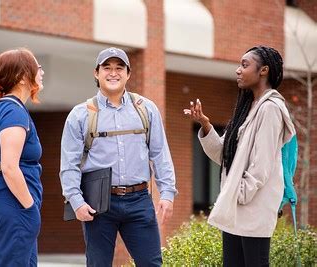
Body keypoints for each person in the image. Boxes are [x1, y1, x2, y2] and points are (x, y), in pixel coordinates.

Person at [60, 47, 177, 266]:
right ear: (96, 73)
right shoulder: (80, 114)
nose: (113, 73)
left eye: (119, 68)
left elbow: (160, 153)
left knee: (152, 264)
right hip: (99, 204)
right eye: (107, 68)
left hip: (140, 200)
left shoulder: (146, 109)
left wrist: (167, 193)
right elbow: (69, 164)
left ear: (128, 74)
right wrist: (76, 201)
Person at [184, 45, 296, 266]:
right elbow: (224, 154)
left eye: (244, 65)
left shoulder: (270, 109)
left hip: (253, 207)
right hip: (236, 207)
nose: (238, 70)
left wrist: (239, 192)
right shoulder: (248, 108)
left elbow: (261, 165)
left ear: (263, 70)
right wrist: (206, 125)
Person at [0, 48, 44, 267]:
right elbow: (9, 167)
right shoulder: (12, 111)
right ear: (23, 77)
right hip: (13, 207)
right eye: (37, 67)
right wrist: (29, 208)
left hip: (6, 205)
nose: (41, 71)